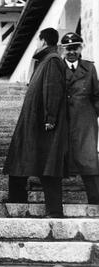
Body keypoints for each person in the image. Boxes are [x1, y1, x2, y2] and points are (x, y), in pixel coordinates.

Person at [3, 28, 68, 218]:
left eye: (38, 41)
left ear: (44, 42)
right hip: (34, 123)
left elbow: (53, 90)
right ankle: (17, 201)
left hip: (43, 125)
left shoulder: (53, 60)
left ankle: (54, 211)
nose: (36, 45)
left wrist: (50, 118)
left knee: (48, 166)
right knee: (20, 161)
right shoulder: (45, 61)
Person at [61, 32, 99, 204]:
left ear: (80, 48)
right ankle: (58, 202)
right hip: (63, 119)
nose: (71, 52)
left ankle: (95, 198)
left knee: (88, 157)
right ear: (63, 50)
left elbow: (96, 95)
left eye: (75, 48)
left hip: (85, 119)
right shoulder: (57, 68)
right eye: (68, 48)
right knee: (60, 156)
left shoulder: (89, 68)